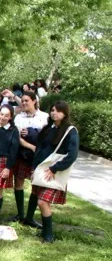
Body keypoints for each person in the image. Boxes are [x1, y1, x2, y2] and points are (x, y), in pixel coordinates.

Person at [22, 101, 79, 243]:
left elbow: (72, 155)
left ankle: (48, 235)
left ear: (65, 113)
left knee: (42, 202)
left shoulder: (71, 131)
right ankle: (43, 231)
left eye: (58, 111)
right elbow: (39, 149)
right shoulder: (47, 128)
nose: (54, 113)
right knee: (37, 197)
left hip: (54, 171)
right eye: (52, 110)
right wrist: (34, 167)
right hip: (41, 169)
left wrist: (55, 168)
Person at [10, 91, 49, 223]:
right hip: (23, 154)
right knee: (19, 182)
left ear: (34, 101)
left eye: (27, 100)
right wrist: (31, 147)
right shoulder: (19, 118)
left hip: (38, 157)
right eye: (23, 101)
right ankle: (20, 214)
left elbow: (47, 136)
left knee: (35, 184)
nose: (24, 103)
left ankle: (30, 217)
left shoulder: (44, 117)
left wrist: (35, 134)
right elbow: (17, 137)